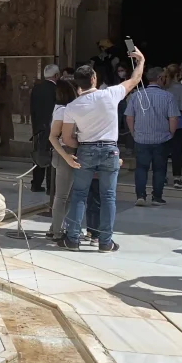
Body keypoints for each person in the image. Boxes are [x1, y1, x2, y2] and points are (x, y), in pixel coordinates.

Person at [59, 49, 146, 252]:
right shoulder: (109, 95)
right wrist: (141, 60)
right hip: (109, 149)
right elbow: (135, 79)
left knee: (79, 194)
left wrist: (82, 145)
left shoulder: (72, 106)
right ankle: (105, 242)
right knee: (108, 196)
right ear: (94, 78)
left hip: (86, 149)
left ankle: (73, 239)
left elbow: (67, 137)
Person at [125, 67, 179, 207]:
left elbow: (129, 116)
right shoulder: (168, 97)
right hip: (162, 138)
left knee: (141, 168)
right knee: (160, 169)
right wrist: (171, 133)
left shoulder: (136, 95)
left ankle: (140, 196)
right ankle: (157, 197)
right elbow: (173, 118)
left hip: (141, 138)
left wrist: (133, 133)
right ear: (160, 78)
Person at [48, 79, 82, 240]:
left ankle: (55, 226)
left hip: (62, 152)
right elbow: (54, 136)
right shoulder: (63, 111)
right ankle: (56, 232)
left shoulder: (61, 109)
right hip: (65, 152)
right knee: (62, 196)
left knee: (64, 195)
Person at [30, 65, 61, 193]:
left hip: (39, 128)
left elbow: (32, 110)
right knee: (51, 157)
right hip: (52, 127)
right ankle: (51, 186)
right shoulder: (57, 89)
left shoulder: (36, 88)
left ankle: (36, 184)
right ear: (57, 75)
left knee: (39, 156)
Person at [163, 64, 182, 189]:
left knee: (163, 150)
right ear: (179, 75)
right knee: (177, 151)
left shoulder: (164, 89)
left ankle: (162, 176)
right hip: (180, 123)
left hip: (164, 122)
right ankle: (177, 178)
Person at [0, 62, 14, 154]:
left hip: (4, 105)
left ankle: (5, 144)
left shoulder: (7, 78)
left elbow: (9, 91)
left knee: (4, 126)